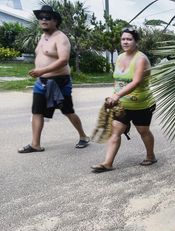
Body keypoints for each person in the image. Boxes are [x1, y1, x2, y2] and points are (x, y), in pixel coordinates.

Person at [18, 5, 90, 153]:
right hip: (41, 82)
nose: (43, 20)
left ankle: (83, 136)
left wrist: (42, 70)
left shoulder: (61, 38)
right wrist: (40, 72)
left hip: (59, 82)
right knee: (37, 111)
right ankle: (35, 144)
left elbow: (64, 60)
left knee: (68, 111)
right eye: (41, 17)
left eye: (47, 17)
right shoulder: (42, 38)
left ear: (55, 21)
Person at [91, 28, 156, 173]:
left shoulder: (141, 59)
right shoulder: (119, 57)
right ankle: (107, 163)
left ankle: (150, 156)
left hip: (141, 104)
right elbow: (118, 81)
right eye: (123, 39)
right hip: (122, 105)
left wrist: (117, 96)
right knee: (115, 132)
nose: (125, 42)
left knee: (143, 131)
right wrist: (113, 97)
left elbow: (136, 82)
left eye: (129, 39)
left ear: (136, 41)